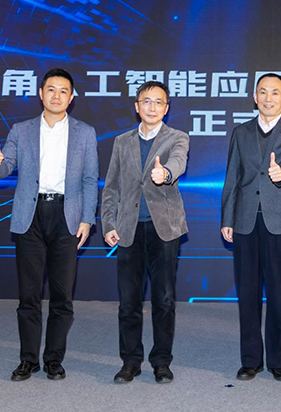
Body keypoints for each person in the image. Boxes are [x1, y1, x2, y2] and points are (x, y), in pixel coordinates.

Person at [0, 68, 98, 381]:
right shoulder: (21, 130)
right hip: (30, 216)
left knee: (62, 296)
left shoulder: (85, 132)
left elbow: (90, 179)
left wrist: (87, 219)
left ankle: (53, 359)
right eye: (51, 89)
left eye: (63, 91)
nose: (56, 96)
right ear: (40, 93)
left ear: (71, 98)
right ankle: (28, 359)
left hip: (67, 216)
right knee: (29, 295)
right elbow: (5, 167)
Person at [220, 73, 281, 382]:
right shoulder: (241, 132)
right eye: (263, 92)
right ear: (254, 97)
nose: (268, 98)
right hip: (245, 221)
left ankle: (278, 361)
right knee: (247, 293)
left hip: (280, 223)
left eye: (275, 92)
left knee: (279, 293)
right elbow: (232, 176)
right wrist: (227, 218)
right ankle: (250, 360)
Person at [101, 81, 189, 384]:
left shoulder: (178, 137)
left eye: (158, 102)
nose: (152, 107)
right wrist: (108, 223)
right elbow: (111, 187)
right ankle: (130, 361)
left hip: (164, 229)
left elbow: (178, 162)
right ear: (137, 106)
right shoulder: (121, 141)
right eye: (146, 101)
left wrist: (165, 173)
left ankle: (161, 361)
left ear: (167, 108)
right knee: (129, 301)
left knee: (164, 299)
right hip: (128, 229)